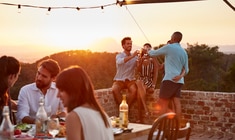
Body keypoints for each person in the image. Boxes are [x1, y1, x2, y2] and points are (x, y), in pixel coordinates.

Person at [56, 65, 114, 140]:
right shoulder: (103, 115)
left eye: (61, 90)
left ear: (72, 90)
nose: (57, 95)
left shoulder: (74, 117)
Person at [147, 31, 189, 124]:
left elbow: (153, 53)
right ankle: (177, 126)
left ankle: (162, 127)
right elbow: (186, 69)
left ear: (173, 38)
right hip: (179, 81)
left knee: (163, 104)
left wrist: (148, 49)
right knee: (177, 103)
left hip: (169, 80)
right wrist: (180, 76)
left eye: (171, 37)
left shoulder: (169, 47)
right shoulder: (184, 52)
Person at [17, 59, 66, 124]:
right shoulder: (25, 90)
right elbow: (22, 114)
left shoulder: (59, 90)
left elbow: (66, 111)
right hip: (31, 129)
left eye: (44, 76)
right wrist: (39, 123)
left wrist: (56, 117)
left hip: (52, 129)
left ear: (53, 78)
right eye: (38, 73)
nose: (39, 78)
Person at [112, 37, 139, 109]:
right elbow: (120, 61)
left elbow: (138, 68)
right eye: (128, 44)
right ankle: (122, 108)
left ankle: (127, 109)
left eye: (130, 44)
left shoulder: (135, 57)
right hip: (120, 80)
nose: (130, 45)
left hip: (130, 80)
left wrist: (141, 60)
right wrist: (132, 56)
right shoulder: (119, 55)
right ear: (123, 46)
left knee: (134, 90)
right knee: (115, 89)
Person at [135, 43, 159, 123]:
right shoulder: (139, 58)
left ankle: (140, 117)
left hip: (149, 81)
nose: (147, 49)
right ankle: (145, 110)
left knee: (139, 94)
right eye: (146, 48)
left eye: (149, 48)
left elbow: (156, 72)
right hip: (141, 79)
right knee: (139, 82)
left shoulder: (153, 59)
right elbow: (137, 71)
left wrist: (153, 85)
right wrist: (141, 61)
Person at [0, 55, 21, 124]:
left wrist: (20, 106)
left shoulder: (5, 91)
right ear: (12, 76)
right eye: (17, 75)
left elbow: (7, 101)